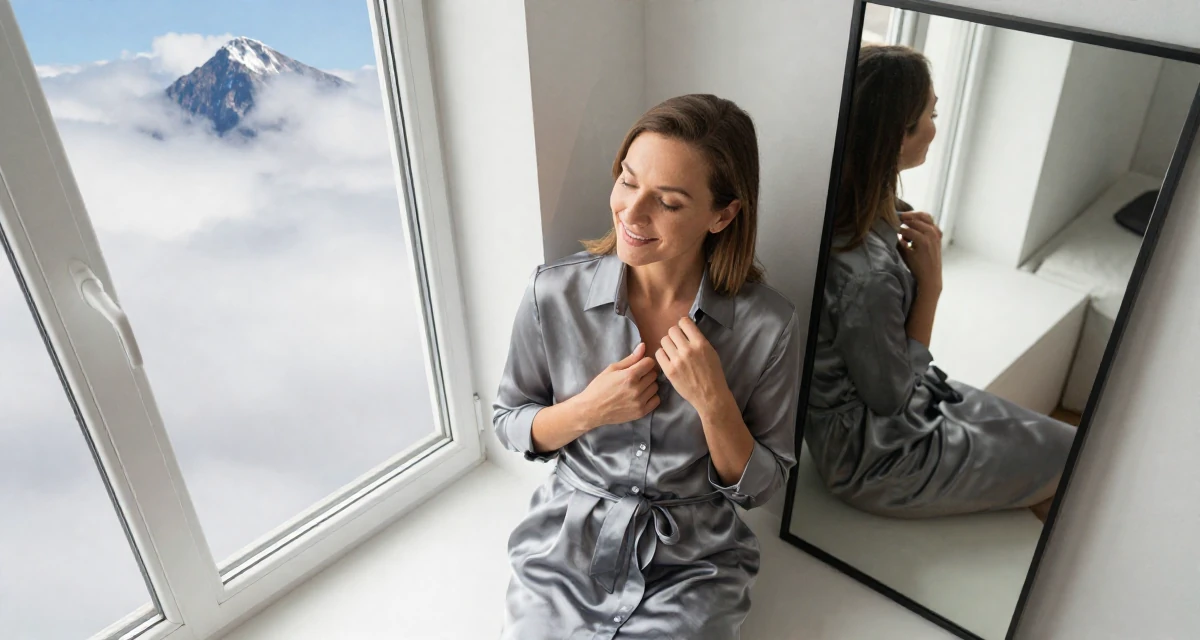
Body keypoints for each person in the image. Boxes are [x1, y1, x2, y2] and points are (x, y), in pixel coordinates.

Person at [493, 94, 802, 639]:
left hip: (694, 564)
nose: (632, 213)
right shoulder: (552, 294)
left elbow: (761, 486)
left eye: (670, 201)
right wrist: (586, 410)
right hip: (564, 547)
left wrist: (714, 402)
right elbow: (508, 421)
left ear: (723, 214)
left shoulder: (767, 325)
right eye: (627, 181)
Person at [803, 44, 1076, 523]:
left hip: (914, 398)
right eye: (930, 114)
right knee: (1076, 464)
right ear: (895, 136)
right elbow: (890, 398)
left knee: (1073, 448)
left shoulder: (860, 201)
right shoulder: (864, 272)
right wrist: (930, 288)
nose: (935, 126)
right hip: (877, 456)